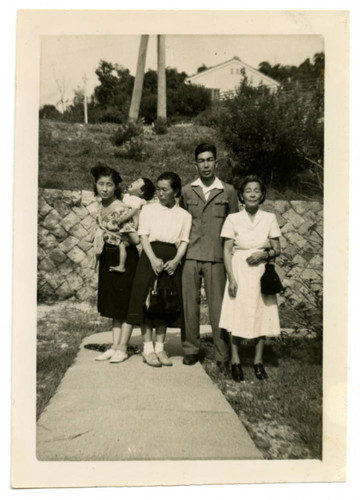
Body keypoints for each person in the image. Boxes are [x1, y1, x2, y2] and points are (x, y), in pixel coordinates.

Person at [180, 143, 239, 371]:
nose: (206, 164)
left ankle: (222, 355)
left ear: (216, 162)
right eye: (201, 160)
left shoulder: (229, 191)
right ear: (196, 163)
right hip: (191, 256)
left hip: (216, 257)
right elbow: (182, 221)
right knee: (189, 306)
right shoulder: (186, 191)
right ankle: (191, 349)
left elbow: (234, 225)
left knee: (219, 308)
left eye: (210, 159)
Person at [219, 174, 282, 382]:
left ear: (262, 195)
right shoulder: (233, 219)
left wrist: (264, 254)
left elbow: (277, 249)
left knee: (260, 313)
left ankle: (258, 362)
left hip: (261, 273)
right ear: (242, 196)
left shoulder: (269, 218)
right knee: (237, 313)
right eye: (248, 191)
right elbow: (227, 250)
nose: (252, 194)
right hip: (239, 269)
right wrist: (231, 277)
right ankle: (235, 361)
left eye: (256, 190)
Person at [127, 172, 192, 367]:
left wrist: (176, 261)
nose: (160, 193)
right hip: (150, 258)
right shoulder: (149, 210)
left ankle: (160, 348)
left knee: (164, 303)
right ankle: (148, 350)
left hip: (171, 261)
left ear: (176, 191)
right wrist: (153, 258)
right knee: (147, 304)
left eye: (165, 190)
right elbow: (144, 236)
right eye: (158, 189)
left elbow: (184, 241)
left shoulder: (184, 216)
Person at [90, 164, 140, 363]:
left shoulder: (120, 208)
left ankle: (123, 348)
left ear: (116, 186)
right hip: (108, 257)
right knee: (113, 304)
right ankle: (114, 346)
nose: (104, 188)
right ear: (95, 185)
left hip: (125, 259)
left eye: (109, 185)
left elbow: (135, 240)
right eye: (101, 184)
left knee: (125, 303)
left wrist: (120, 238)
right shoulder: (101, 206)